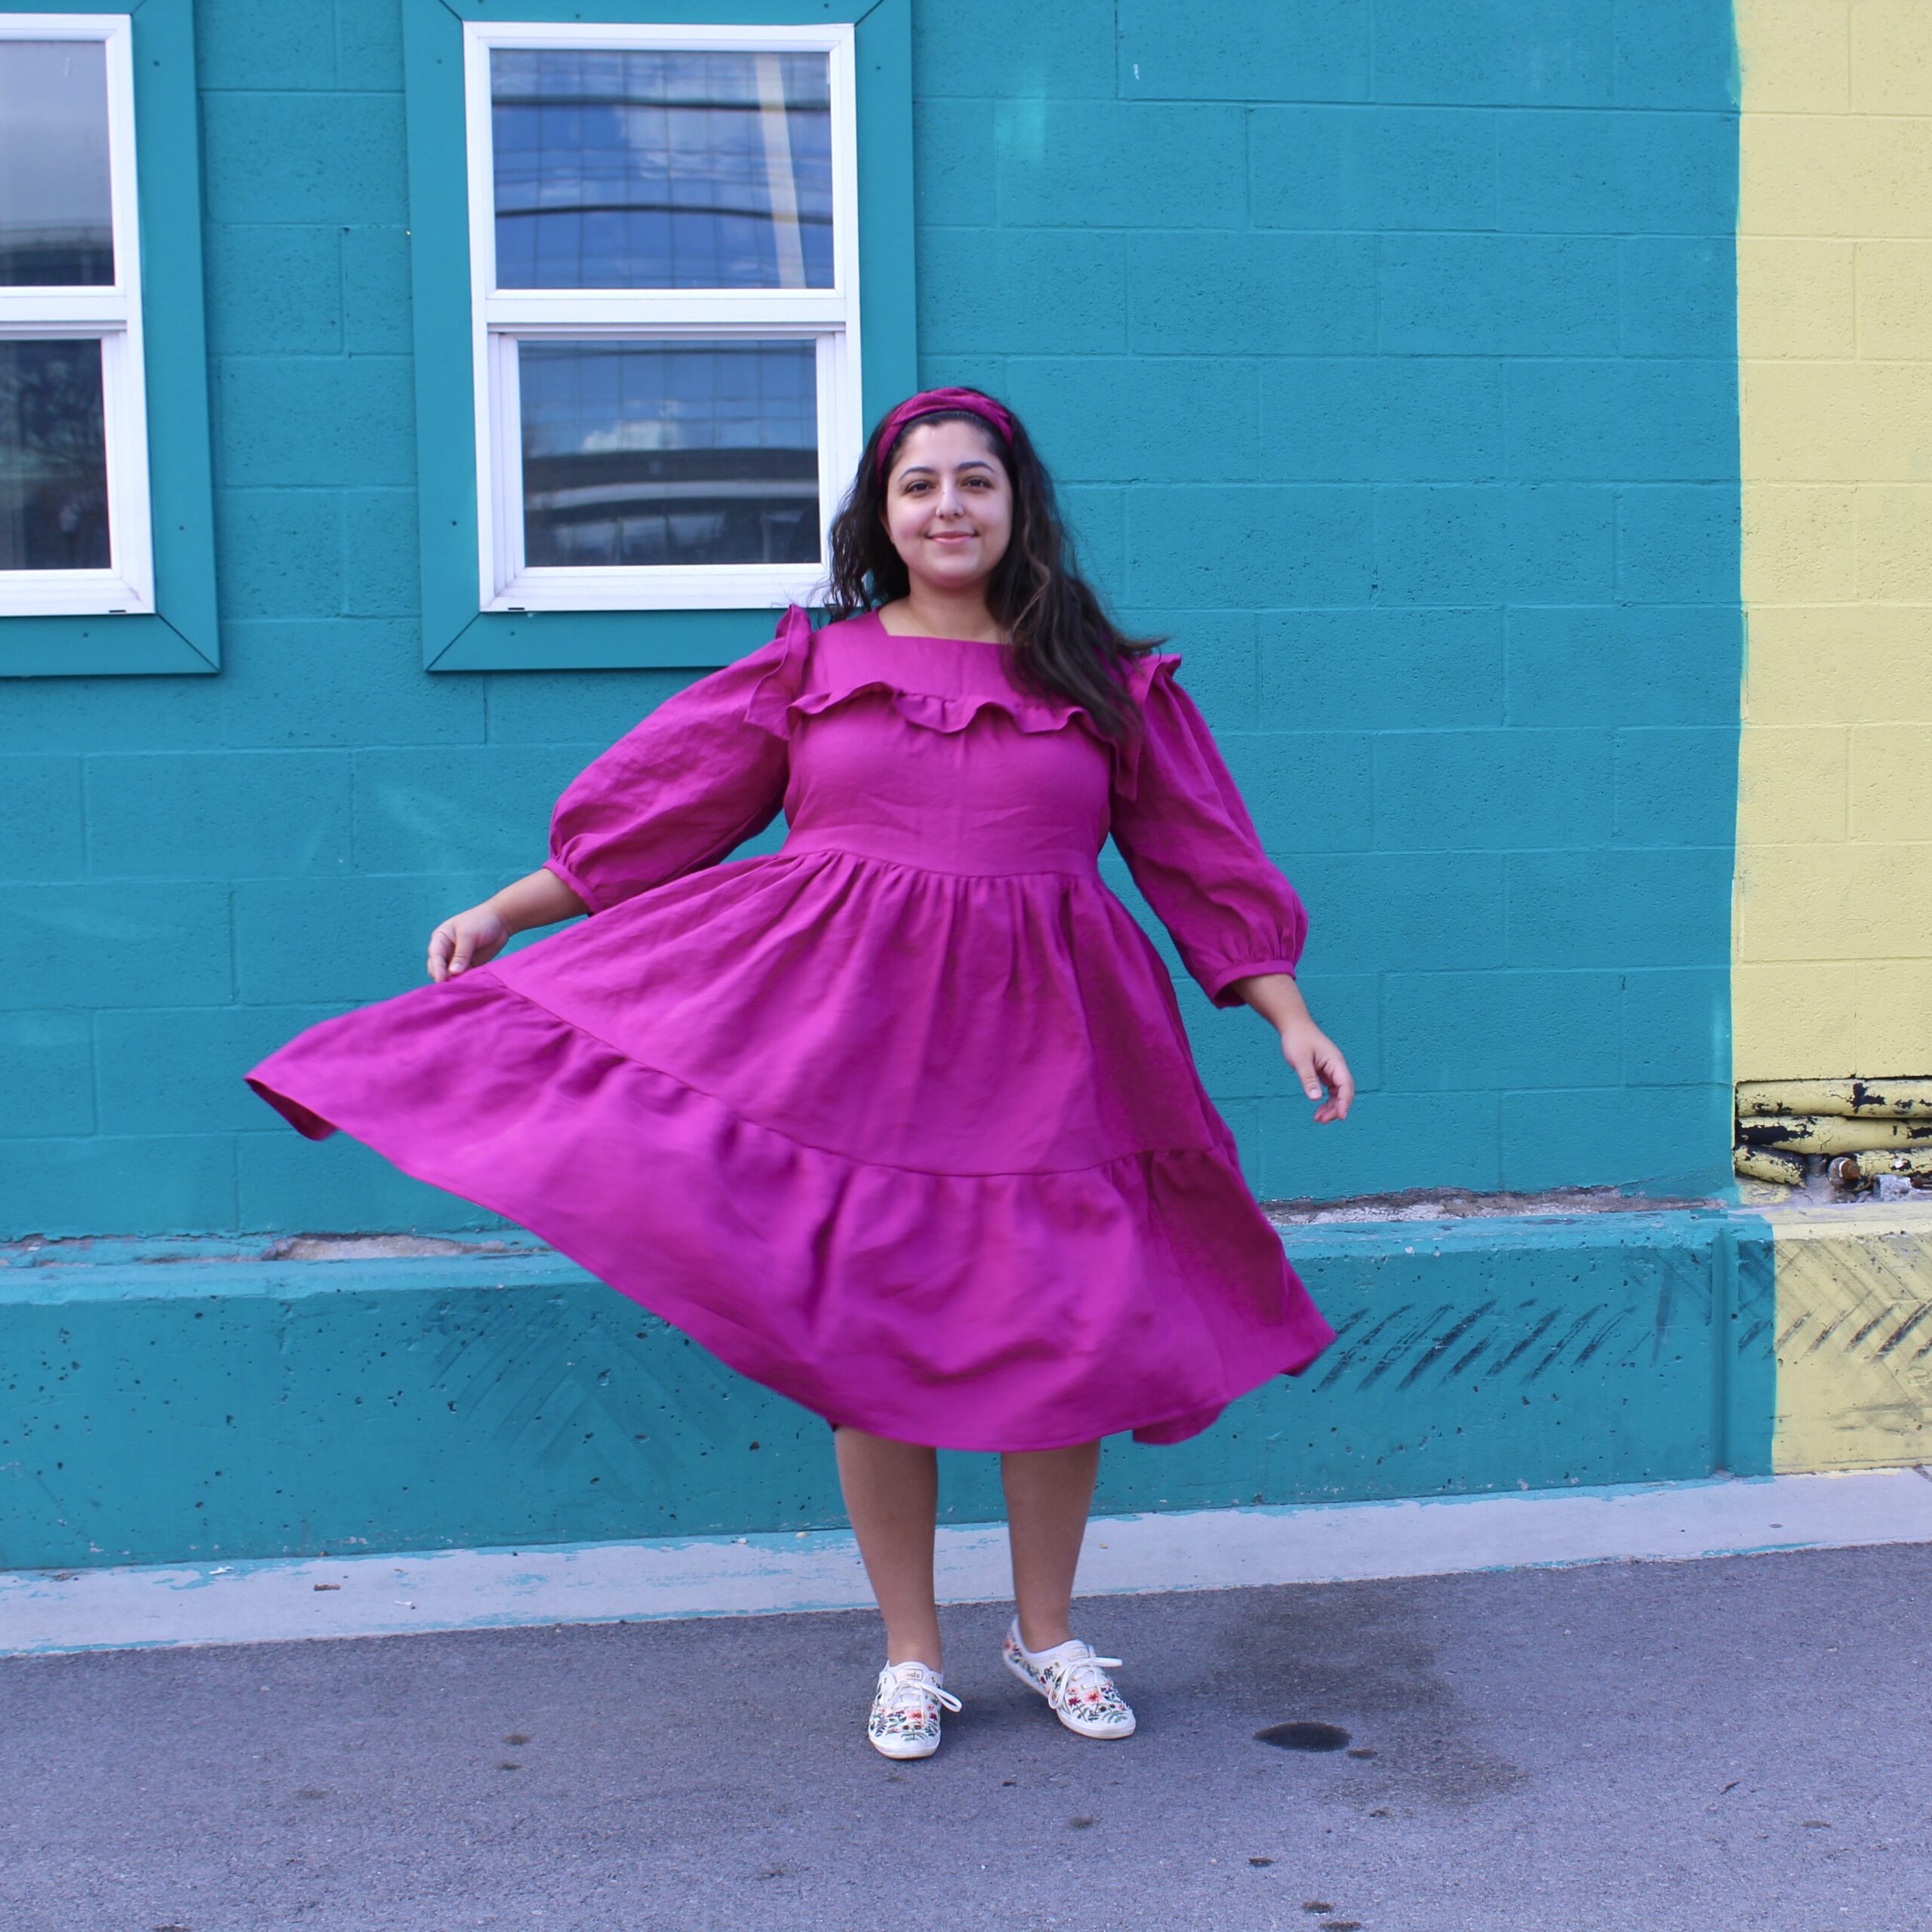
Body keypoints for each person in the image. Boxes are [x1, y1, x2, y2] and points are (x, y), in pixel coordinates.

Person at [244, 386, 1354, 1761]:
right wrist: (514, 910)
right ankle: (909, 1652)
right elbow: (672, 808)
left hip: (1058, 1050)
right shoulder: (813, 666)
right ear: (882, 515)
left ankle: (1048, 1632)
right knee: (874, 1345)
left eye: (975, 483)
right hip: (851, 1048)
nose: (948, 506)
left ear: (1020, 509)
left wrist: (1282, 1008)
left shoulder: (1105, 684)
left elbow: (1197, 853)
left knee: (1067, 1337)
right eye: (918, 486)